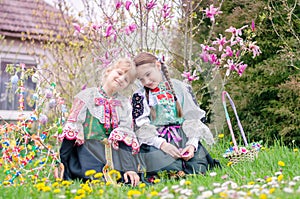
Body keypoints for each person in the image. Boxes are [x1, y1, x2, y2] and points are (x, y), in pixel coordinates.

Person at [131, 52, 220, 180]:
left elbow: (193, 118)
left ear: (157, 66)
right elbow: (142, 127)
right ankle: (174, 171)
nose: (146, 81)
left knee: (198, 167)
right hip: (157, 142)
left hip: (183, 137)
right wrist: (162, 145)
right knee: (167, 168)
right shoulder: (139, 96)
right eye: (141, 79)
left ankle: (189, 166)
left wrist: (192, 144)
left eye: (148, 75)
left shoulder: (181, 87)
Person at [58, 57, 140, 186]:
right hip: (87, 153)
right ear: (108, 71)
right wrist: (62, 162)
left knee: (122, 179)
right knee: (91, 177)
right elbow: (72, 130)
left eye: (126, 80)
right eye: (119, 73)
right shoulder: (87, 96)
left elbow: (125, 137)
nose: (121, 79)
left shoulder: (124, 104)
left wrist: (129, 168)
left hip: (113, 155)